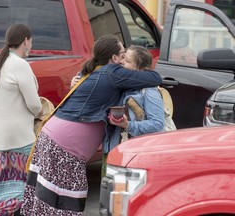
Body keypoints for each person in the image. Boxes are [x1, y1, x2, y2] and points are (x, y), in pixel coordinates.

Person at [21, 34, 162, 216]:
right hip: (63, 147)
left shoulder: (97, 71)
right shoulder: (113, 72)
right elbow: (155, 77)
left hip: (56, 141)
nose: (123, 60)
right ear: (114, 58)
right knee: (62, 203)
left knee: (52, 203)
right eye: (122, 55)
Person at [0, 24, 43, 216]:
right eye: (31, 41)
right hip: (18, 140)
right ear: (25, 41)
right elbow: (35, 106)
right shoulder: (21, 65)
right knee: (24, 191)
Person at [104, 45, 165, 175]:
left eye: (127, 61)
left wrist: (128, 125)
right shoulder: (122, 84)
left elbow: (158, 123)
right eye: (123, 58)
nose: (121, 62)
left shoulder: (149, 91)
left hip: (135, 155)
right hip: (115, 151)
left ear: (141, 70)